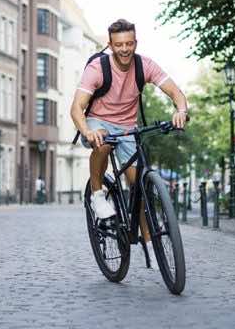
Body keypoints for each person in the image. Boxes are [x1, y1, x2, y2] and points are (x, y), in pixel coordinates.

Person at [70, 19, 189, 242]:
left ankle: (148, 241)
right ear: (110, 44)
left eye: (129, 43)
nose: (124, 49)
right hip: (98, 121)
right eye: (119, 45)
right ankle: (97, 195)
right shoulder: (97, 68)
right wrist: (87, 131)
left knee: (139, 185)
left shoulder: (145, 66)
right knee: (102, 142)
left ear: (135, 42)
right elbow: (76, 107)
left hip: (127, 127)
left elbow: (176, 93)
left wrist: (181, 111)